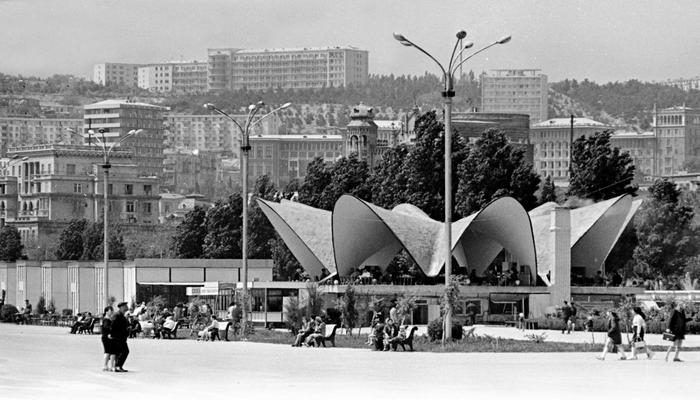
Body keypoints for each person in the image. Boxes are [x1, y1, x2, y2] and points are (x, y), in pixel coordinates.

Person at [111, 302, 130, 372]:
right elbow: (112, 325)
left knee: (120, 352)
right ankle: (118, 366)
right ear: (121, 307)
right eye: (125, 306)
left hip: (122, 336)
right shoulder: (117, 315)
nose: (127, 307)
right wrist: (113, 335)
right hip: (118, 337)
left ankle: (118, 366)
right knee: (125, 351)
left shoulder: (122, 315)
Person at [101, 306, 117, 372]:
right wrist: (109, 333)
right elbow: (106, 327)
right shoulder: (106, 319)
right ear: (106, 311)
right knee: (109, 352)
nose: (112, 312)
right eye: (111, 310)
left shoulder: (108, 319)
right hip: (107, 337)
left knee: (111, 352)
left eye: (112, 310)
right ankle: (106, 366)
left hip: (108, 336)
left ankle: (109, 366)